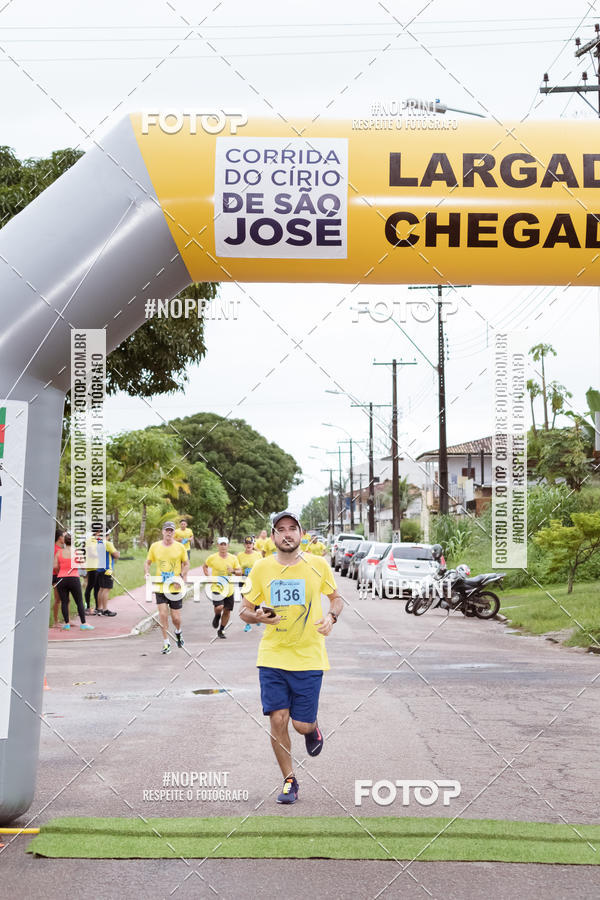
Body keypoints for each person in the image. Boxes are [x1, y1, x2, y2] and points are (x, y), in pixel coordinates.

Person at [240, 511, 344, 805]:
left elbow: (336, 598)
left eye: (292, 528)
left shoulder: (318, 565)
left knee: (301, 725)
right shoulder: (261, 568)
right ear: (273, 536)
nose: (287, 534)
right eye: (280, 529)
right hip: (272, 655)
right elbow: (244, 610)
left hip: (309, 656)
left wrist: (331, 617)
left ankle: (312, 728)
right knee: (277, 719)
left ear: (301, 534)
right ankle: (289, 781)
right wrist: (258, 617)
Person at [145, 521, 189, 654]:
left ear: (174, 533)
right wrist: (147, 572)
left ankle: (178, 632)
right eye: (167, 530)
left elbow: (186, 564)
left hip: (175, 587)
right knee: (163, 615)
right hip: (161, 587)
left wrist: (180, 577)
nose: (169, 532)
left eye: (171, 530)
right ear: (163, 532)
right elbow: (148, 562)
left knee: (176, 618)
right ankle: (166, 643)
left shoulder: (180, 547)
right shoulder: (155, 546)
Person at [54, 533, 94, 631]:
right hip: (74, 578)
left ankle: (67, 624)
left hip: (61, 578)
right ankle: (83, 624)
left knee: (64, 601)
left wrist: (61, 573)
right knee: (79, 601)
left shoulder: (59, 552)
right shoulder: (77, 552)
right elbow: (83, 567)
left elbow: (55, 566)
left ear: (64, 541)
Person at [203, 538, 242, 639]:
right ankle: (217, 616)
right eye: (221, 544)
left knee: (227, 611)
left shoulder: (233, 558)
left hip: (229, 589)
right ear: (218, 546)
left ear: (228, 546)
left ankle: (221, 630)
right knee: (219, 607)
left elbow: (240, 572)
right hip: (217, 587)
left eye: (225, 544)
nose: (223, 546)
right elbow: (205, 566)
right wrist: (208, 576)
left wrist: (233, 571)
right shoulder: (212, 557)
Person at [236, 536, 263, 632]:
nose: (248, 545)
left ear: (253, 544)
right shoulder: (240, 555)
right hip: (243, 582)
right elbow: (237, 568)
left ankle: (257, 617)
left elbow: (262, 567)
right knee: (246, 603)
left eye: (250, 543)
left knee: (256, 602)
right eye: (247, 543)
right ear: (244, 545)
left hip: (255, 582)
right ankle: (247, 624)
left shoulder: (258, 555)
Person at [94, 529, 120, 617]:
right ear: (107, 535)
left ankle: (99, 609)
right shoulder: (108, 543)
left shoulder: (98, 543)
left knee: (101, 589)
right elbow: (116, 555)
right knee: (106, 589)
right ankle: (105, 610)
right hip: (107, 569)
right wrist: (117, 553)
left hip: (99, 569)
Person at [52, 529, 65, 627]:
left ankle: (66, 620)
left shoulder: (61, 549)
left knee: (64, 599)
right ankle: (55, 622)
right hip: (56, 576)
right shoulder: (55, 549)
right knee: (58, 599)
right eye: (64, 536)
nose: (65, 538)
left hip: (60, 575)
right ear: (60, 538)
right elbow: (55, 566)